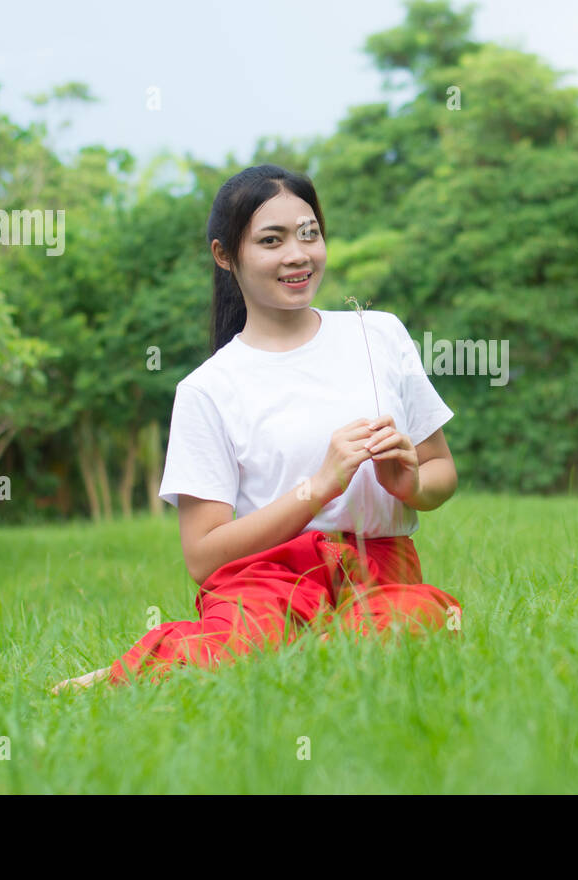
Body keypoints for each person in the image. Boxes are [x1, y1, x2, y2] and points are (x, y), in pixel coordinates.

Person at [51, 164, 461, 692]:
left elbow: (441, 469)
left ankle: (313, 650)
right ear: (226, 256)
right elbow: (202, 557)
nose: (297, 254)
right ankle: (122, 676)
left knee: (402, 632)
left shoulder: (377, 334)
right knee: (240, 648)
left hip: (380, 569)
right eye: (272, 240)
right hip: (265, 581)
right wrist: (318, 488)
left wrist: (412, 486)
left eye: (309, 234)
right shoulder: (208, 389)